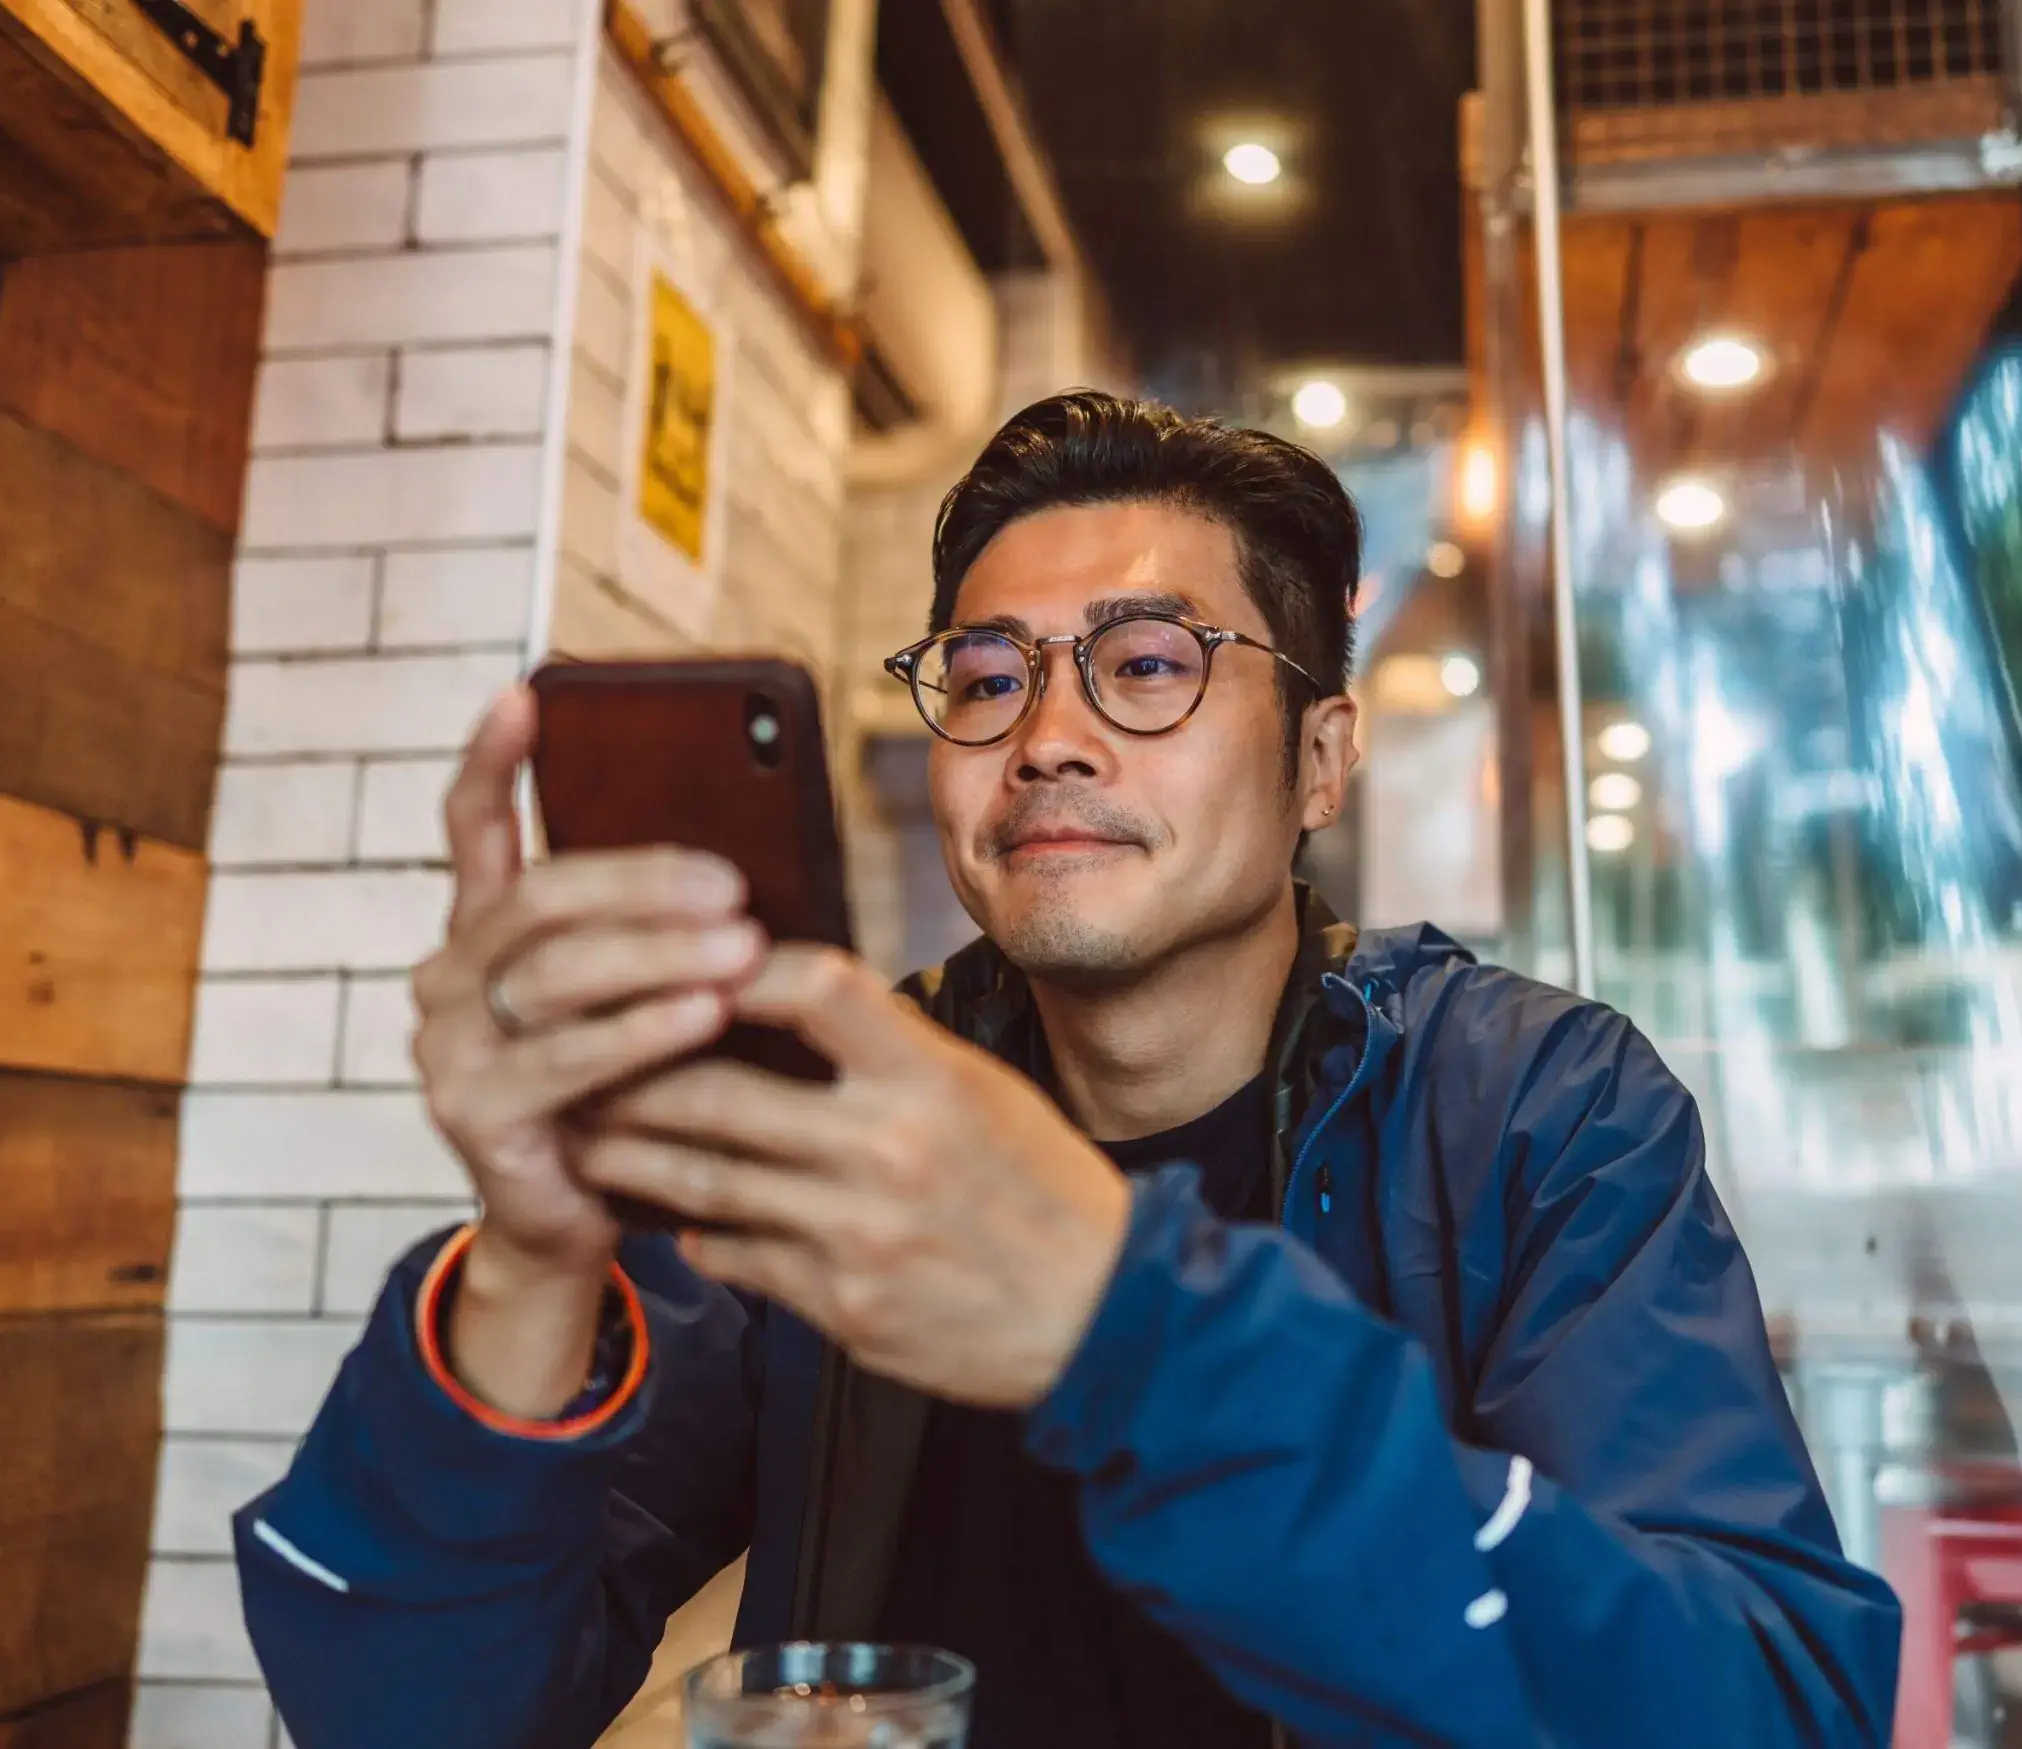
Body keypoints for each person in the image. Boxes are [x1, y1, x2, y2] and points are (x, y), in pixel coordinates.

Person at [236, 391, 1901, 1749]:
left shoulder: (1534, 1108)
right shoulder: (840, 1107)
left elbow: (1765, 1701)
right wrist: (531, 1258)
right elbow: (417, 1713)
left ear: (1320, 758)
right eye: (986, 675)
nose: (1046, 733)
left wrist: (1126, 1323)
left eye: (1149, 664)